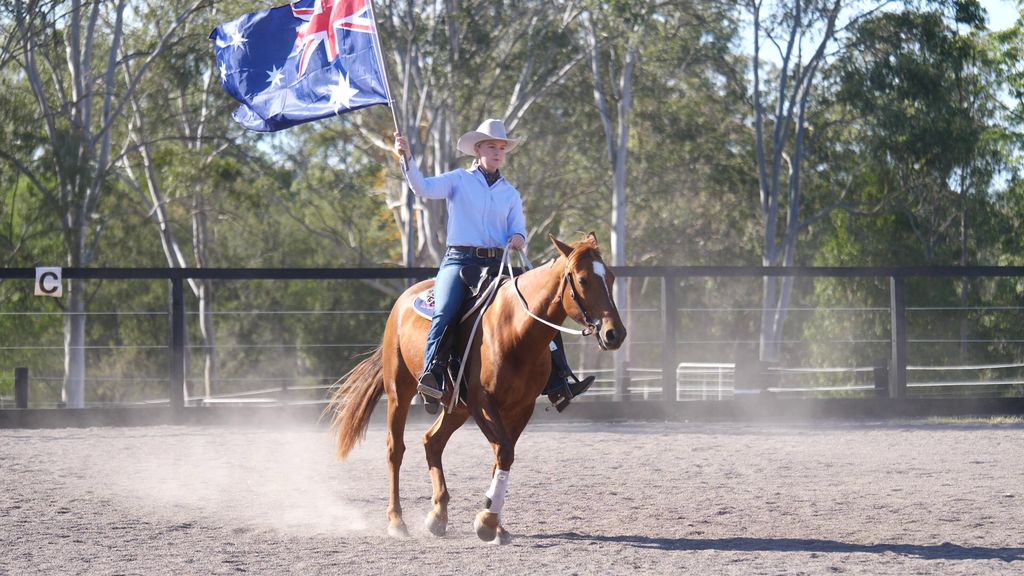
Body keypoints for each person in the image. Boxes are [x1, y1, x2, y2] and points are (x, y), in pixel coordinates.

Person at [394, 118, 594, 412]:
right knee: (447, 309)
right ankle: (432, 373)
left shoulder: (510, 193)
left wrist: (517, 237)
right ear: (477, 150)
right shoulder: (458, 180)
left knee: (540, 308)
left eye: (501, 147)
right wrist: (407, 158)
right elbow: (421, 188)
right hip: (459, 262)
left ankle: (559, 380)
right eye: (491, 146)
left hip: (497, 265)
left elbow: (520, 230)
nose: (497, 152)